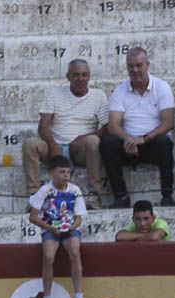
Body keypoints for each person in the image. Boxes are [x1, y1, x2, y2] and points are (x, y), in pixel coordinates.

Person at [22, 59, 109, 209]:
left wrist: (84, 138)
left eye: (84, 75)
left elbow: (108, 127)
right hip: (54, 146)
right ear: (67, 76)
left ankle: (94, 195)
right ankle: (35, 196)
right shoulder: (54, 92)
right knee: (30, 144)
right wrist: (54, 145)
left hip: (81, 149)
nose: (80, 79)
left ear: (89, 76)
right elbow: (43, 127)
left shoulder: (99, 96)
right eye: (76, 75)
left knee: (93, 141)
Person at [100, 47, 175, 209]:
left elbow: (168, 123)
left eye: (138, 65)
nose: (134, 70)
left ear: (147, 65)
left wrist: (144, 138)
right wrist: (129, 139)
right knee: (107, 142)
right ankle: (121, 196)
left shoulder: (161, 87)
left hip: (152, 142)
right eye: (131, 66)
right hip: (128, 144)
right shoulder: (120, 90)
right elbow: (113, 126)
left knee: (163, 142)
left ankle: (167, 195)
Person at [28, 155, 87, 298]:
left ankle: (79, 297)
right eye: (62, 172)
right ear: (51, 173)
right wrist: (50, 228)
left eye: (68, 172)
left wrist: (70, 227)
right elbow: (33, 217)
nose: (66, 175)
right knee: (48, 257)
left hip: (68, 229)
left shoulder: (75, 190)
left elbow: (79, 217)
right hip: (50, 229)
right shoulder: (45, 190)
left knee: (75, 251)